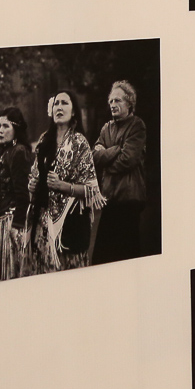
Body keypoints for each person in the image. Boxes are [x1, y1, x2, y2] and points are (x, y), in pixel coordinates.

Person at [26, 90, 105, 274]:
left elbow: (92, 190)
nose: (59, 107)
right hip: (43, 225)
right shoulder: (44, 140)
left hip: (70, 226)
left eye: (64, 103)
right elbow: (35, 175)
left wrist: (63, 186)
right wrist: (32, 185)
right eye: (56, 103)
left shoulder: (79, 143)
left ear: (74, 111)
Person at [92, 80, 147, 265]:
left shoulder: (137, 125)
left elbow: (128, 159)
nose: (113, 105)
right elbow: (94, 157)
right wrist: (116, 150)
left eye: (118, 100)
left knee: (127, 257)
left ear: (129, 103)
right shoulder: (106, 128)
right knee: (103, 258)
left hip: (129, 200)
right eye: (111, 101)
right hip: (109, 200)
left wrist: (106, 159)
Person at [0, 107, 31, 283]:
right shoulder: (6, 151)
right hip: (2, 221)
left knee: (12, 275)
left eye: (6, 126)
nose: (0, 130)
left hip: (12, 221)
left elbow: (23, 193)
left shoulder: (18, 151)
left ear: (16, 129)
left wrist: (16, 225)